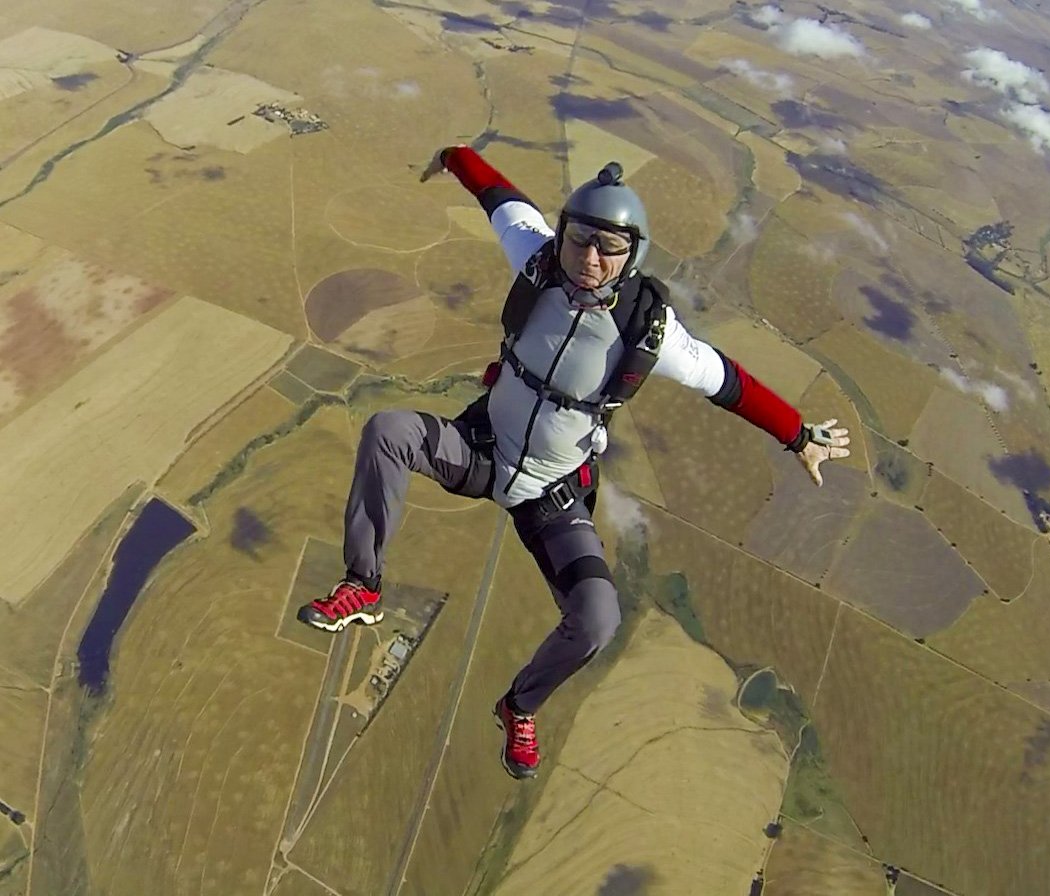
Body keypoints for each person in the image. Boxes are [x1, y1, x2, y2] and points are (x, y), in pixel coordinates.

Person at [297, 146, 850, 779]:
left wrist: (798, 435)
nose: (589, 258)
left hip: (551, 493)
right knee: (388, 430)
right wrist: (453, 156)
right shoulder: (537, 264)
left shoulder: (649, 330)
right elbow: (501, 199)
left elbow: (725, 380)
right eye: (580, 240)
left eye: (609, 248)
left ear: (632, 256)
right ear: (562, 235)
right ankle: (362, 585)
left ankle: (519, 706)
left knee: (596, 618)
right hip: (481, 450)